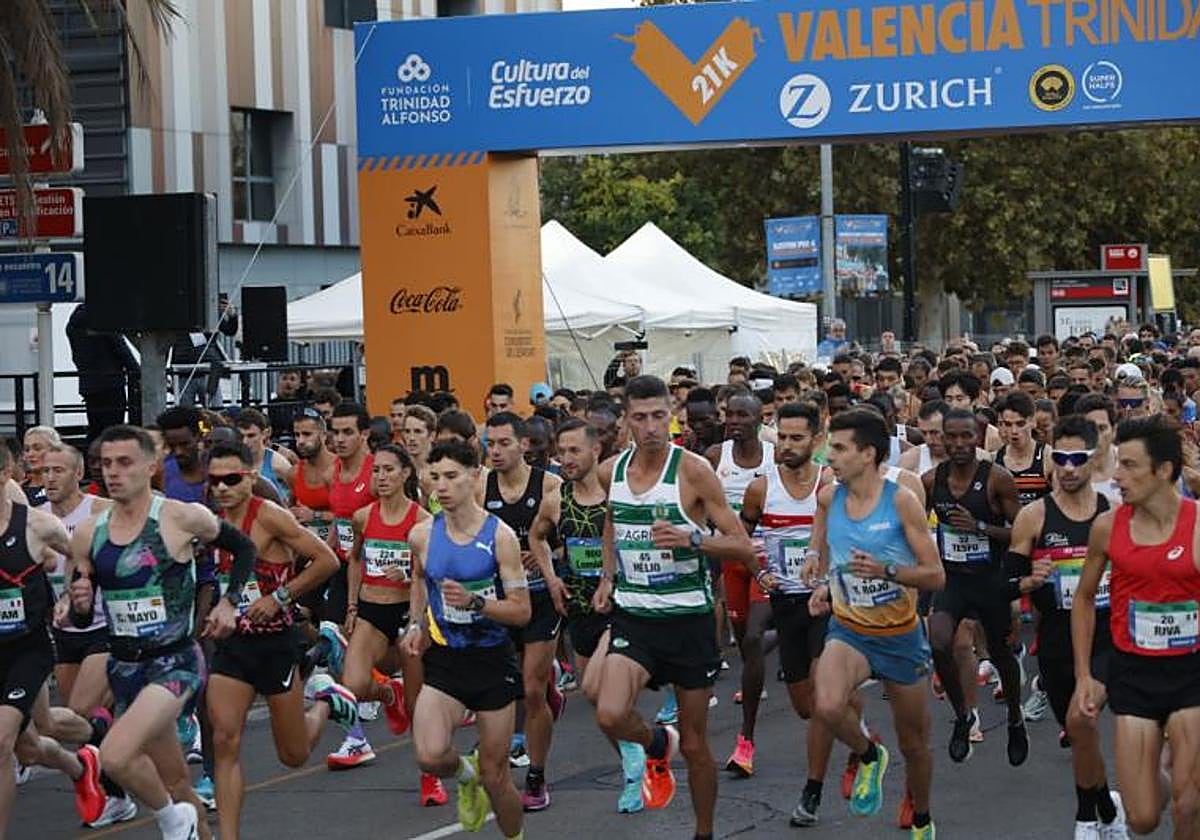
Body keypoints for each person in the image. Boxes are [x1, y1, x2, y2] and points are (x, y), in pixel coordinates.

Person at [67, 424, 259, 840]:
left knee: (116, 756)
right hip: (124, 667)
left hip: (175, 663)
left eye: (124, 463)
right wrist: (80, 605)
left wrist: (229, 601)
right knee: (176, 786)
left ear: (151, 466)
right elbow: (84, 616)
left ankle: (173, 823)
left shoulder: (179, 516)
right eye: (105, 464)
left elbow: (244, 548)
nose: (113, 472)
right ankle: (189, 824)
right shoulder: (89, 533)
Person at [593, 375, 755, 840]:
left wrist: (693, 538)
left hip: (688, 622)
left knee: (699, 745)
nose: (650, 427)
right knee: (609, 712)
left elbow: (743, 546)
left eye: (659, 416)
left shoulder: (694, 471)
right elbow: (612, 521)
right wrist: (608, 575)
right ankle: (657, 743)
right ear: (626, 421)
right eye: (640, 418)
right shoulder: (611, 472)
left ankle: (703, 832)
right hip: (635, 616)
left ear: (673, 416)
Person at [204, 441, 357, 840]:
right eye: (215, 480)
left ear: (251, 476)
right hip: (233, 645)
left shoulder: (268, 516)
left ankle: (325, 702)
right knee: (224, 739)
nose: (222, 488)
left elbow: (326, 559)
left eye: (231, 479)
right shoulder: (208, 520)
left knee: (293, 755)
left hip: (276, 644)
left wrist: (280, 597)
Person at [805, 407, 944, 839]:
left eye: (840, 448)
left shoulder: (901, 500)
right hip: (849, 630)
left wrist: (886, 571)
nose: (830, 456)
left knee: (915, 744)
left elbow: (935, 575)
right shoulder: (830, 495)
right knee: (826, 706)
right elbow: (823, 531)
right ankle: (868, 754)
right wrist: (818, 565)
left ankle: (921, 817)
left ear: (868, 454)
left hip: (900, 635)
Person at [1074, 415, 1200, 836]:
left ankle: (1183, 776)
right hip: (1134, 673)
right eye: (1116, 465)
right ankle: (1168, 768)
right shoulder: (1108, 527)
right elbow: (1085, 598)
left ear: (1164, 470)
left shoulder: (1198, 525)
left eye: (1129, 466)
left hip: (1192, 673)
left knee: (1189, 806)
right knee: (1143, 818)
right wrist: (1084, 676)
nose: (1117, 477)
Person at [1006, 416, 1127, 838]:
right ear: (1052, 459)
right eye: (1062, 458)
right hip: (1056, 639)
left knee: (1083, 720)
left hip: (1109, 635)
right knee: (1079, 732)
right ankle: (1108, 808)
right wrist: (1027, 580)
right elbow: (1004, 584)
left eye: (1079, 459)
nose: (1070, 468)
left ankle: (1086, 818)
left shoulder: (1113, 511)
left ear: (1094, 460)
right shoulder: (1033, 516)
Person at [403, 439, 530, 837]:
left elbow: (522, 611)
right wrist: (415, 624)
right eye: (435, 476)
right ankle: (464, 773)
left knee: (497, 777)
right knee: (429, 755)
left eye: (452, 476)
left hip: (493, 662)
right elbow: (421, 582)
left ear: (475, 477)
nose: (441, 486)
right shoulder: (422, 535)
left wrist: (477, 603)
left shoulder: (500, 536)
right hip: (446, 659)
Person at [528, 418, 645, 813]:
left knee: (596, 688)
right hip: (578, 607)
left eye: (574, 451)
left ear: (596, 450)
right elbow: (536, 536)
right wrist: (551, 579)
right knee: (602, 705)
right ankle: (636, 765)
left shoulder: (619, 493)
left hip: (620, 606)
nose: (566, 460)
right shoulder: (556, 498)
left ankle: (641, 751)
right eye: (560, 453)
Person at [738, 401, 840, 825]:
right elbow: (738, 539)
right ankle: (860, 736)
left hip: (828, 603)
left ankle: (811, 791)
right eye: (781, 437)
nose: (787, 445)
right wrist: (759, 573)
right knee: (804, 706)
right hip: (786, 603)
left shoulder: (831, 483)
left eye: (797, 438)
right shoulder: (761, 489)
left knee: (822, 698)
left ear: (817, 440)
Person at [0, 442, 107, 835]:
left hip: (31, 646)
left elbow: (82, 558)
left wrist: (67, 595)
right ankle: (83, 764)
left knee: (2, 742)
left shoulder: (36, 525)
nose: (49, 478)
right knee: (31, 741)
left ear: (4, 475)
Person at [343, 444, 447, 806]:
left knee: (421, 706)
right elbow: (354, 559)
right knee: (353, 684)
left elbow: (431, 575)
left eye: (389, 470)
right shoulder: (362, 516)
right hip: (372, 610)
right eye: (376, 471)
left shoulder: (422, 522)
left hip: (409, 615)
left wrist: (404, 573)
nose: (381, 477)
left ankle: (430, 778)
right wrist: (352, 604)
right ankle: (390, 694)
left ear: (406, 474)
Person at [922, 408, 1028, 766]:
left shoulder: (997, 478)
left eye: (966, 436)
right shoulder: (930, 480)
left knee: (1000, 656)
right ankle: (964, 715)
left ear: (978, 436)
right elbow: (916, 528)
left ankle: (1015, 717)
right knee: (939, 642)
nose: (958, 444)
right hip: (952, 580)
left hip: (990, 581)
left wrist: (980, 528)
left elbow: (1022, 532)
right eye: (950, 436)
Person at [39, 444, 137, 826]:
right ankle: (117, 789)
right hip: (65, 630)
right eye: (45, 470)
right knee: (78, 720)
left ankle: (116, 781)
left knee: (81, 710)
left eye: (58, 470)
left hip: (106, 625)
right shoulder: (37, 517)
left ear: (77, 474)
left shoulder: (98, 512)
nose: (49, 477)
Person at [483, 411, 565, 790]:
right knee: (508, 686)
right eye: (490, 443)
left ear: (524, 445)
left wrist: (547, 554)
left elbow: (570, 543)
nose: (495, 451)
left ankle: (537, 774)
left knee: (531, 689)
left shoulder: (549, 485)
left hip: (540, 598)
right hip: (501, 601)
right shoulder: (479, 485)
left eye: (504, 443)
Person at [704, 393, 775, 774]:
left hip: (766, 556)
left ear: (759, 418)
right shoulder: (717, 456)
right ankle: (762, 660)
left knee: (751, 636)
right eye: (729, 414)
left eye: (742, 414)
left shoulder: (774, 454)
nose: (733, 420)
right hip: (731, 556)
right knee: (743, 631)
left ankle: (745, 741)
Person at [324, 402, 378, 769]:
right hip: (347, 570)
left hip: (385, 579)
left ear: (364, 434)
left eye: (347, 432)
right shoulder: (335, 471)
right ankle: (356, 736)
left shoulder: (379, 472)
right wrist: (321, 552)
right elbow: (340, 523)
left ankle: (385, 688)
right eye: (335, 432)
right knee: (330, 638)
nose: (339, 439)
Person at [66, 302, 139, 444]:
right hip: (111, 383)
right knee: (114, 429)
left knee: (96, 429)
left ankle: (92, 461)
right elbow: (121, 350)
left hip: (89, 384)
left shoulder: (72, 326)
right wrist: (137, 372)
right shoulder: (104, 323)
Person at [234, 408, 294, 503]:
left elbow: (299, 493)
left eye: (251, 436)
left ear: (265, 434)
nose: (245, 442)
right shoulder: (232, 462)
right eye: (241, 436)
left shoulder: (278, 464)